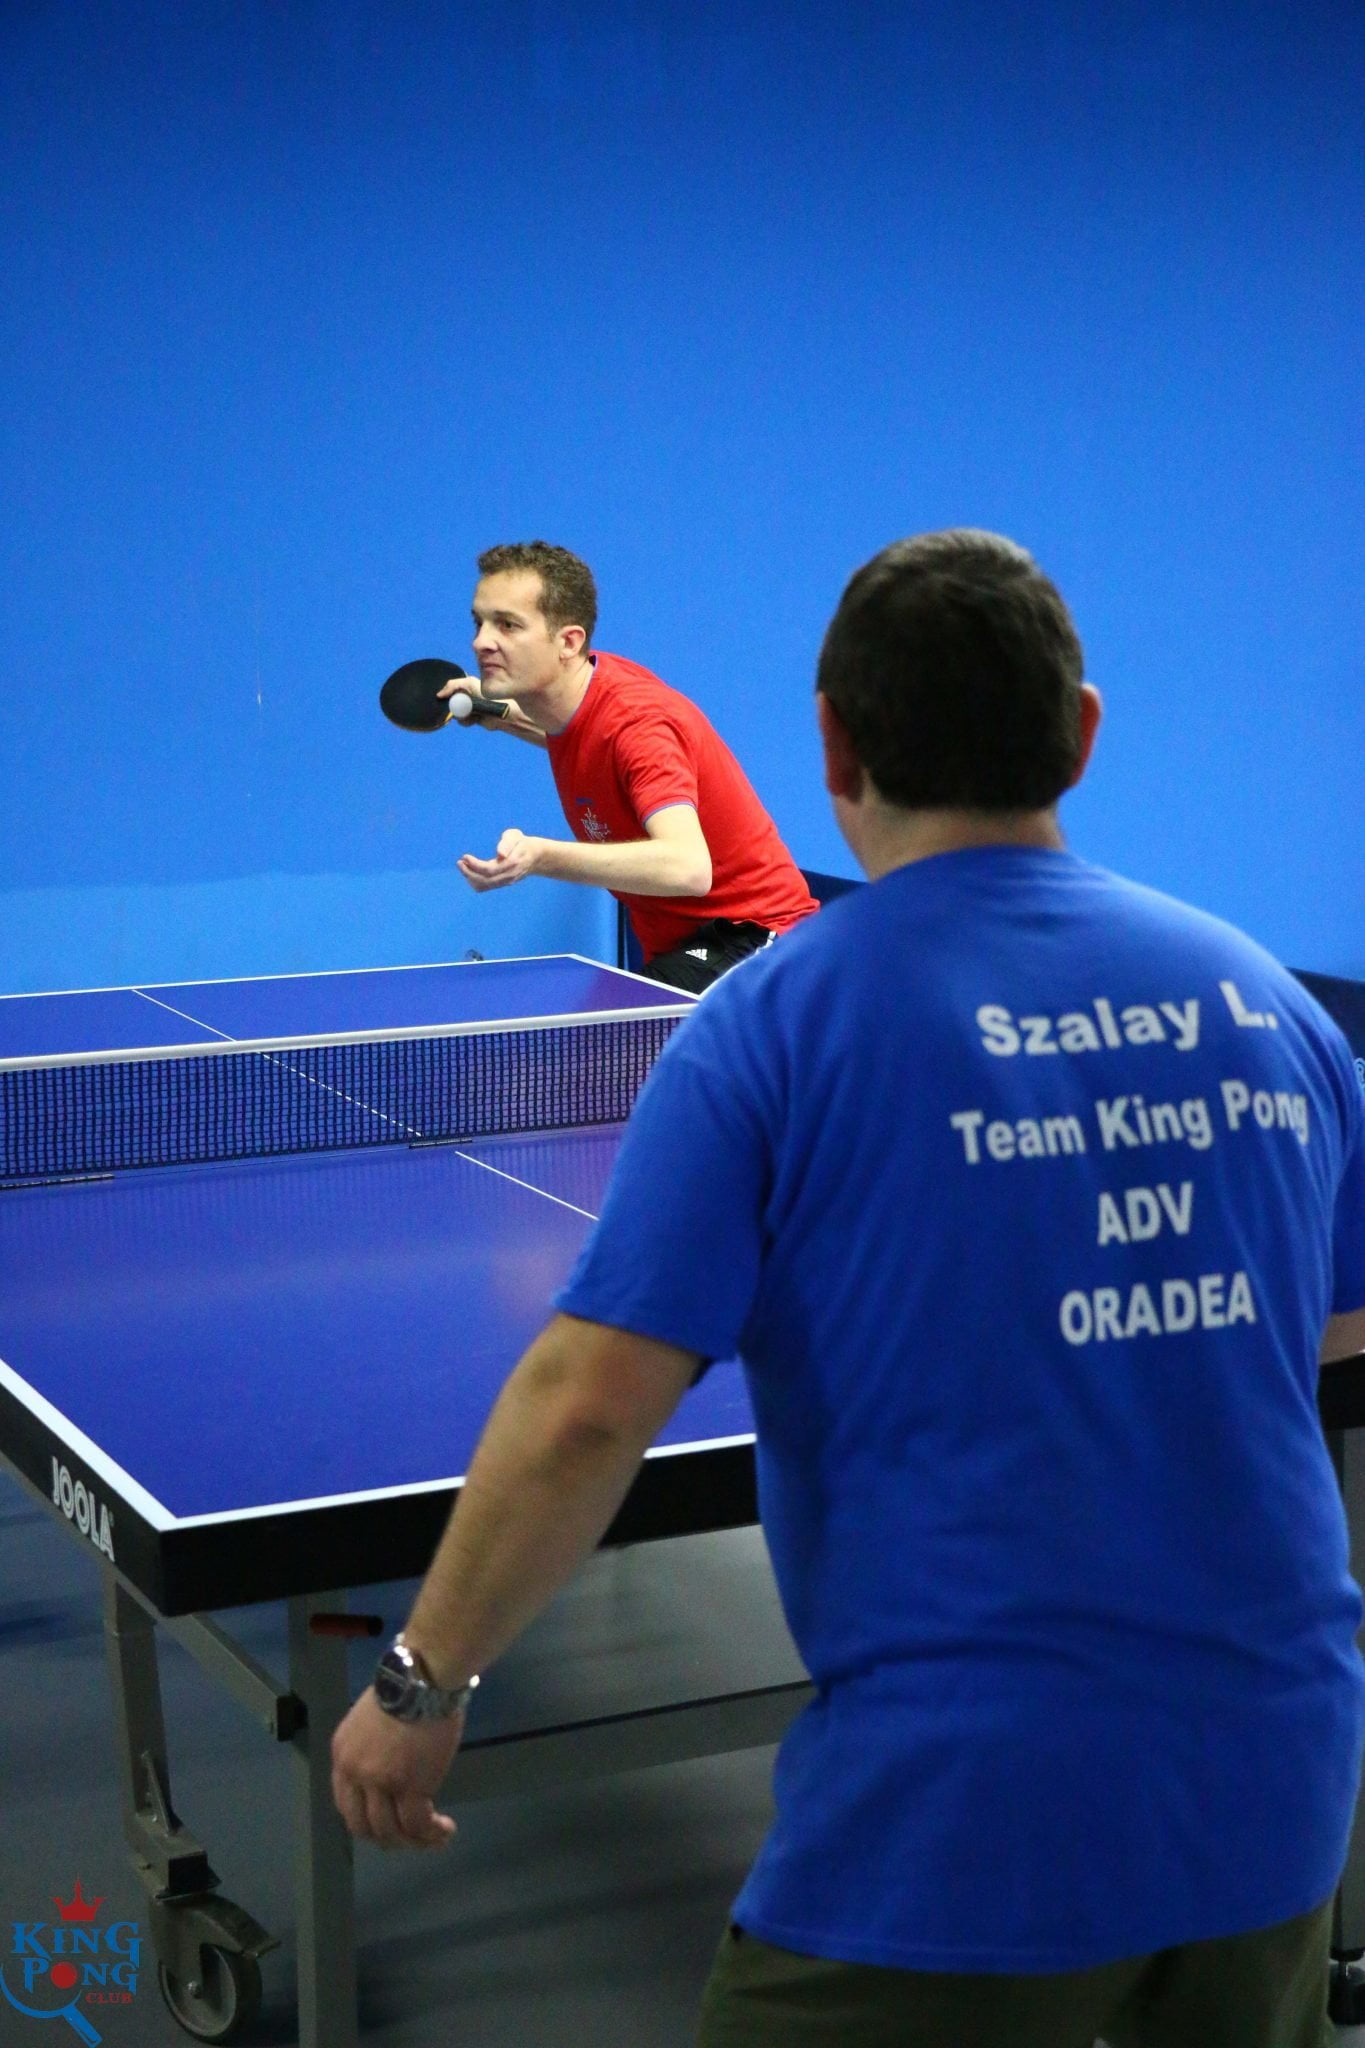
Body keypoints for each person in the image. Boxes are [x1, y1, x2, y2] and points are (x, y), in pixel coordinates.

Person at [332, 529, 1365, 2048]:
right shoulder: (1273, 1008)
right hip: (1279, 1780)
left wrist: (423, 1681)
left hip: (959, 1812)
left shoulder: (771, 1028)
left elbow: (585, 1412)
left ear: (832, 746)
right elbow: (1330, 1340)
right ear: (1081, 734)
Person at [442, 540, 818, 991]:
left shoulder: (639, 724)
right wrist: (499, 714)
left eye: (507, 625)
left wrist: (539, 857)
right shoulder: (583, 697)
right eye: (479, 622)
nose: (481, 641)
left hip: (757, 940)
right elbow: (590, 739)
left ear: (568, 642)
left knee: (608, 1036)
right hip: (687, 947)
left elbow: (688, 867)